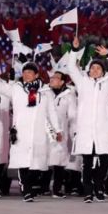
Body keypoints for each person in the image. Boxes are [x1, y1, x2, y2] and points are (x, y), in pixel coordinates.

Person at [0, 62, 62, 202]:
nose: (26, 74)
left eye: (30, 72)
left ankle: (28, 185)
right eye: (24, 72)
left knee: (37, 164)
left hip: (38, 132)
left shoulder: (45, 92)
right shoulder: (16, 89)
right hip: (21, 132)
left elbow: (51, 112)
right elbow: (1, 87)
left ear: (36, 75)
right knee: (23, 162)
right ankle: (26, 190)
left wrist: (57, 129)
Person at [64, 40, 108, 203]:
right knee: (87, 163)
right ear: (88, 71)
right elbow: (71, 68)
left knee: (105, 161)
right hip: (86, 129)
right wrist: (74, 49)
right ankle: (88, 191)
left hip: (103, 129)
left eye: (98, 68)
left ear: (103, 71)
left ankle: (98, 185)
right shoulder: (82, 83)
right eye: (92, 68)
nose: (95, 70)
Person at [46, 67, 77, 199]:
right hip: (43, 130)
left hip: (60, 132)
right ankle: (39, 187)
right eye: (52, 77)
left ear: (63, 82)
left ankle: (57, 189)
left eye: (56, 78)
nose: (52, 79)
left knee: (58, 161)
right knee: (41, 159)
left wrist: (74, 132)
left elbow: (72, 115)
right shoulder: (44, 92)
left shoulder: (69, 95)